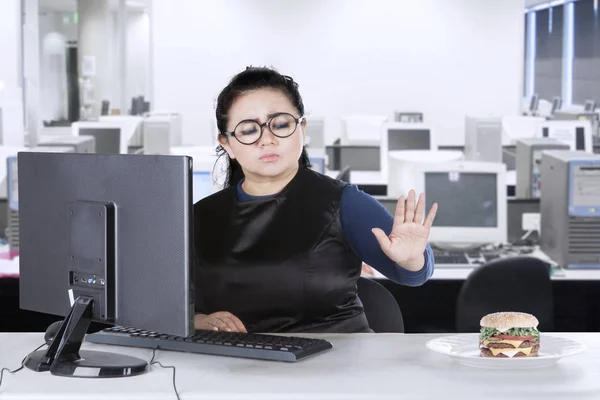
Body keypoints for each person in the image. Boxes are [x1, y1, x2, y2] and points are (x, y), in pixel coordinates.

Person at [193, 66, 438, 334]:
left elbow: (412, 276)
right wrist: (194, 322)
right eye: (249, 130)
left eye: (281, 124)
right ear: (226, 143)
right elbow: (160, 304)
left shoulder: (344, 203)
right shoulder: (199, 217)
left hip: (337, 365)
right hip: (237, 366)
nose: (267, 140)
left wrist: (412, 259)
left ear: (302, 128)